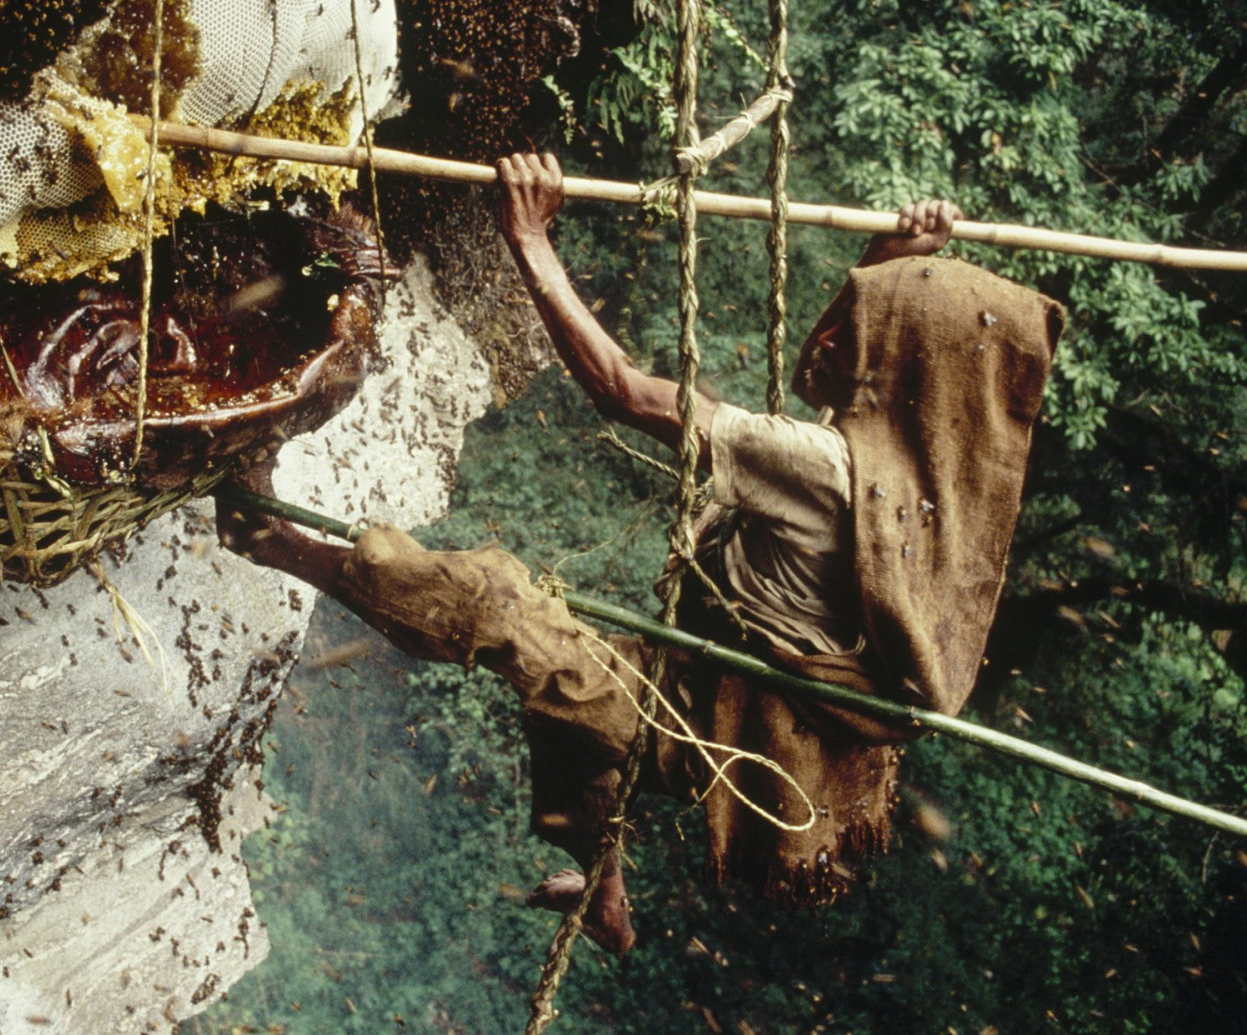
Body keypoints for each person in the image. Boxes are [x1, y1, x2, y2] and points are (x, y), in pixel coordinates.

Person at [219, 154, 1065, 956]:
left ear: (903, 369)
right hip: (717, 690)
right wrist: (887, 260)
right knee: (569, 718)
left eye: (862, 331)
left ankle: (272, 539)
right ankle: (605, 900)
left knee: (498, 605)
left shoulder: (826, 471)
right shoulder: (925, 498)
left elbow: (621, 388)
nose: (830, 339)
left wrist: (528, 239)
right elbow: (826, 382)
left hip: (704, 723)